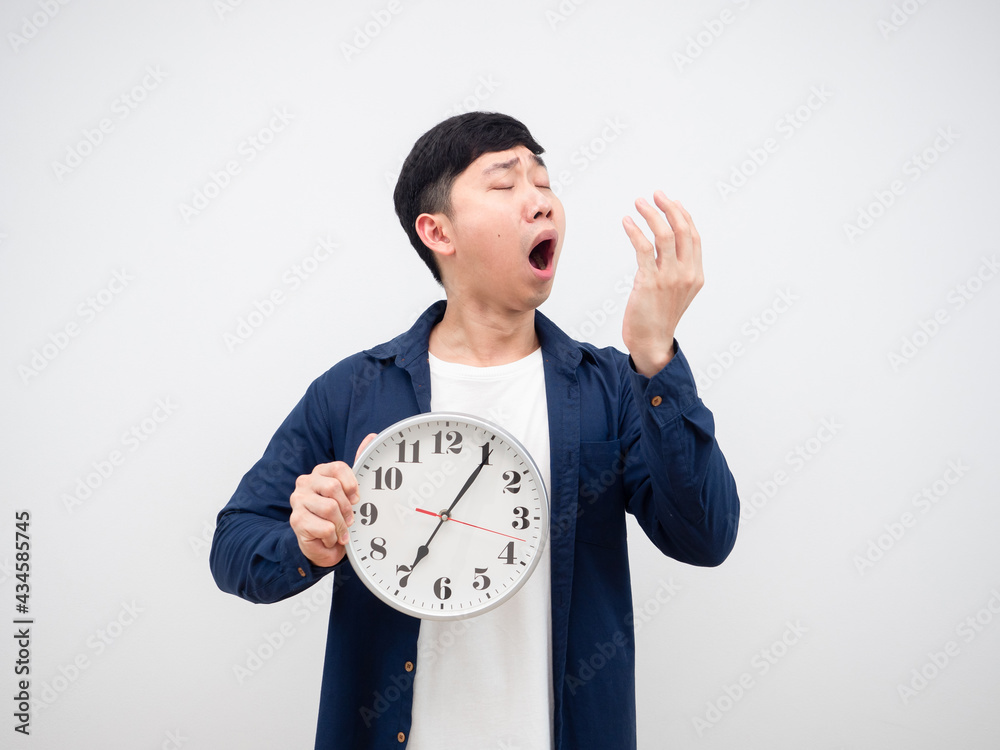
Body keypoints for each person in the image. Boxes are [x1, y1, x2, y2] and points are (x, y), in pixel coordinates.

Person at [210, 111, 740, 750]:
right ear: (437, 231)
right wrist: (305, 541)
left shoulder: (610, 387)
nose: (539, 200)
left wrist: (655, 358)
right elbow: (233, 546)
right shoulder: (352, 391)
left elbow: (706, 536)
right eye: (505, 183)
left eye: (543, 182)